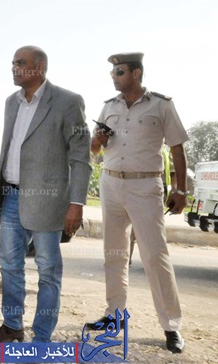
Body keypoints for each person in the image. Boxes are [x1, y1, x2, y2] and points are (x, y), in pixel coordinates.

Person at [0, 46, 91, 343]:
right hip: (11, 197)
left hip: (48, 201)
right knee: (9, 266)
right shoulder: (12, 102)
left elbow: (81, 157)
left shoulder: (68, 102)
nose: (14, 68)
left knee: (48, 270)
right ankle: (12, 326)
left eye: (20, 63)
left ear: (40, 67)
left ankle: (42, 337)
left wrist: (76, 203)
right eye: (13, 63)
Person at [86, 52, 188, 354]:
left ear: (136, 73)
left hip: (145, 186)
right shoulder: (109, 106)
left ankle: (171, 325)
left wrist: (181, 190)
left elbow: (177, 148)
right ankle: (114, 315)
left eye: (119, 72)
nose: (113, 77)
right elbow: (94, 148)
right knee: (114, 253)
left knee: (155, 256)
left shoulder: (161, 105)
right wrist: (99, 140)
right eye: (112, 72)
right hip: (111, 184)